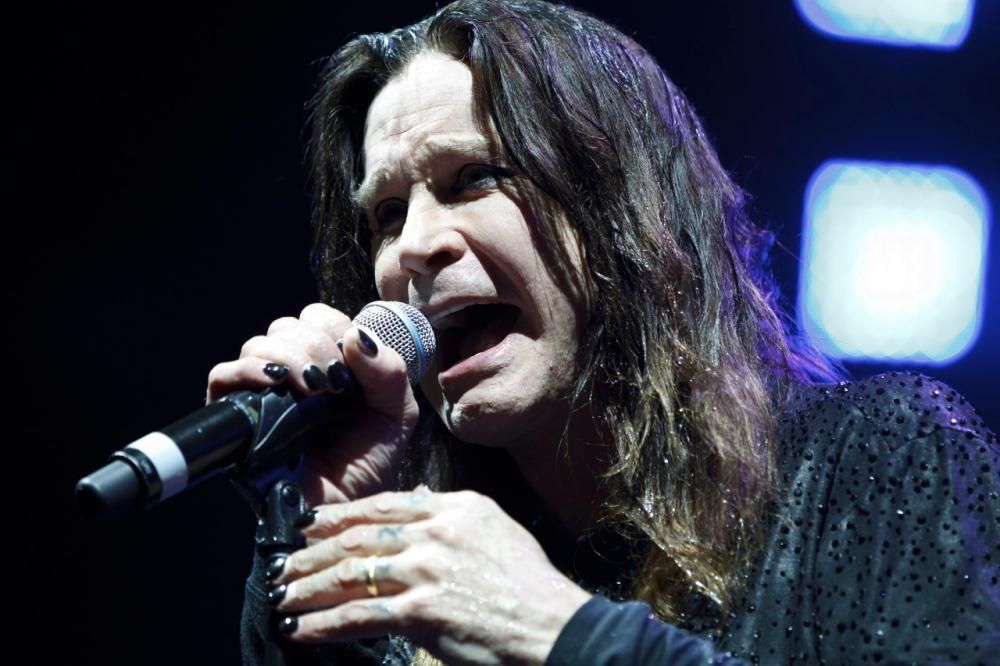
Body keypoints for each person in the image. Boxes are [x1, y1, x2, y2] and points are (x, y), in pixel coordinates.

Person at [206, 1, 1000, 664]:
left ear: (621, 210)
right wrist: (319, 531)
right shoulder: (428, 563)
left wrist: (563, 633)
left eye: (474, 178)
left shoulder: (879, 458)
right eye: (386, 214)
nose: (413, 245)